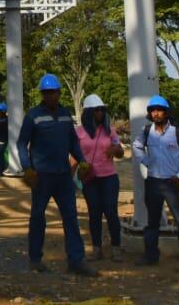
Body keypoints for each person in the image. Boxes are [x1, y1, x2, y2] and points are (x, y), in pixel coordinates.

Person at [17, 73, 96, 277]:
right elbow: (21, 143)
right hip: (41, 176)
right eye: (46, 93)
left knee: (71, 217)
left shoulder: (65, 114)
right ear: (42, 94)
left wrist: (82, 160)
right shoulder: (33, 115)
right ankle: (35, 259)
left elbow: (72, 141)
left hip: (63, 176)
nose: (50, 96)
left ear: (59, 93)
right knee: (37, 217)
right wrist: (27, 168)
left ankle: (76, 261)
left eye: (52, 92)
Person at [132, 95, 179, 273]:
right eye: (153, 110)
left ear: (166, 112)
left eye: (159, 110)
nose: (156, 113)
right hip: (154, 182)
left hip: (173, 184)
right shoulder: (147, 131)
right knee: (152, 221)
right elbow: (136, 145)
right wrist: (145, 161)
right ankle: (151, 255)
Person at [76, 93, 123, 261]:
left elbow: (120, 152)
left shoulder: (109, 131)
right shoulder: (78, 132)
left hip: (109, 177)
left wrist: (116, 150)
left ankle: (116, 247)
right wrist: (74, 172)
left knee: (111, 212)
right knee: (94, 214)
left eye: (102, 110)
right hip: (90, 178)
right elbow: (73, 155)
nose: (100, 113)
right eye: (97, 110)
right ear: (88, 113)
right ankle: (97, 248)